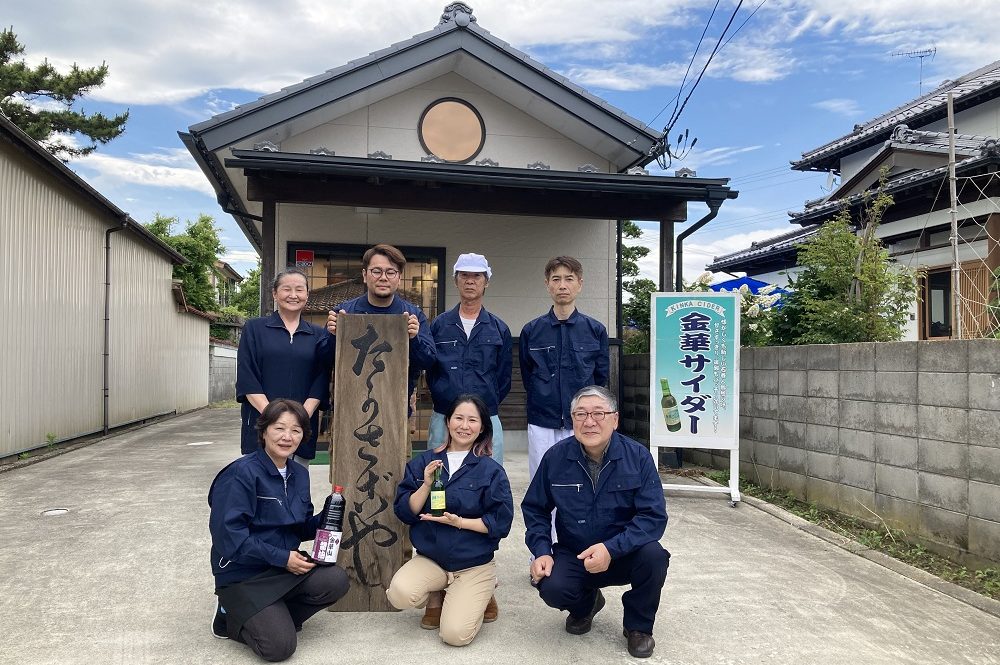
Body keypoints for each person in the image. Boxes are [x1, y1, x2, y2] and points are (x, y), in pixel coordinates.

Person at [521, 386, 669, 659]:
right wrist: (542, 550)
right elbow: (535, 508)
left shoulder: (637, 457)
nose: (589, 421)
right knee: (551, 587)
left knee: (654, 556)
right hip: (575, 552)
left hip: (623, 553)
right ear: (572, 419)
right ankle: (586, 604)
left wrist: (611, 549)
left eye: (598, 413)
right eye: (581, 414)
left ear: (615, 419)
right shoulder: (556, 457)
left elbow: (653, 517)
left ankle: (638, 627)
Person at [208, 399, 350, 662]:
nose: (287, 437)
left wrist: (328, 517)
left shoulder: (298, 473)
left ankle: (269, 614)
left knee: (335, 580)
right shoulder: (241, 474)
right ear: (263, 431)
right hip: (243, 574)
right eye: (279, 428)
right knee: (279, 648)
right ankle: (229, 614)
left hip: (283, 568)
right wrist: (283, 558)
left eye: (296, 430)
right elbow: (229, 537)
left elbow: (298, 527)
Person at [387, 394, 513, 647]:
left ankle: (483, 589)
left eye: (472, 420)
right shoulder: (424, 462)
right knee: (399, 594)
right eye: (459, 418)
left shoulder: (491, 470)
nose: (464, 426)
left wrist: (460, 523)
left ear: (482, 427)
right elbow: (404, 511)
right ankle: (440, 590)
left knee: (455, 635)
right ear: (447, 422)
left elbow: (500, 523)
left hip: (473, 563)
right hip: (432, 559)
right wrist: (425, 484)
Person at [519, 256, 609, 480]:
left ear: (580, 283)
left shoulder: (595, 330)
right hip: (542, 420)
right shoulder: (531, 331)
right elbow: (527, 374)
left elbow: (600, 376)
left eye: (569, 279)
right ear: (547, 284)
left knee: (581, 480)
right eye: (556, 279)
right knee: (541, 480)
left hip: (582, 420)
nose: (562, 285)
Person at [236, 268, 331, 465]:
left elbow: (321, 378)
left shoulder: (318, 335)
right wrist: (274, 418)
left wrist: (300, 418)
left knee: (297, 483)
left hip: (301, 425)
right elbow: (247, 376)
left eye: (299, 290)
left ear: (307, 295)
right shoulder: (254, 329)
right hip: (262, 421)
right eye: (287, 289)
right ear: (275, 294)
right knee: (260, 486)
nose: (293, 295)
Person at [325, 243, 436, 409]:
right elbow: (322, 358)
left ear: (399, 278)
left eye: (390, 272)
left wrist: (414, 339)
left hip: (396, 409)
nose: (383, 277)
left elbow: (428, 362)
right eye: (376, 271)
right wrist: (332, 336)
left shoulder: (413, 315)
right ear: (364, 275)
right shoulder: (344, 312)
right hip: (349, 409)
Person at [426, 253, 512, 464]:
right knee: (438, 473)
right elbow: (430, 369)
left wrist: (484, 403)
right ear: (456, 281)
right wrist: (442, 393)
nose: (470, 281)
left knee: (488, 475)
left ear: (486, 282)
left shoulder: (499, 328)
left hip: (486, 416)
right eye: (464, 275)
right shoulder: (439, 325)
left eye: (477, 276)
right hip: (444, 414)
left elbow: (503, 378)